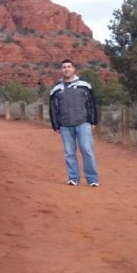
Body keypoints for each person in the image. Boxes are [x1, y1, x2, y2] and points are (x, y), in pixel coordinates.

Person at [49, 59, 100, 187]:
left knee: (87, 151)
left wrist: (93, 121)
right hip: (65, 125)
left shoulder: (85, 85)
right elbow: (53, 108)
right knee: (69, 153)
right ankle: (73, 178)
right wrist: (56, 125)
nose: (66, 69)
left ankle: (92, 179)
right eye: (64, 67)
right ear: (62, 70)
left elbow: (92, 104)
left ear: (74, 69)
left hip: (83, 123)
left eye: (69, 67)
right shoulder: (56, 89)